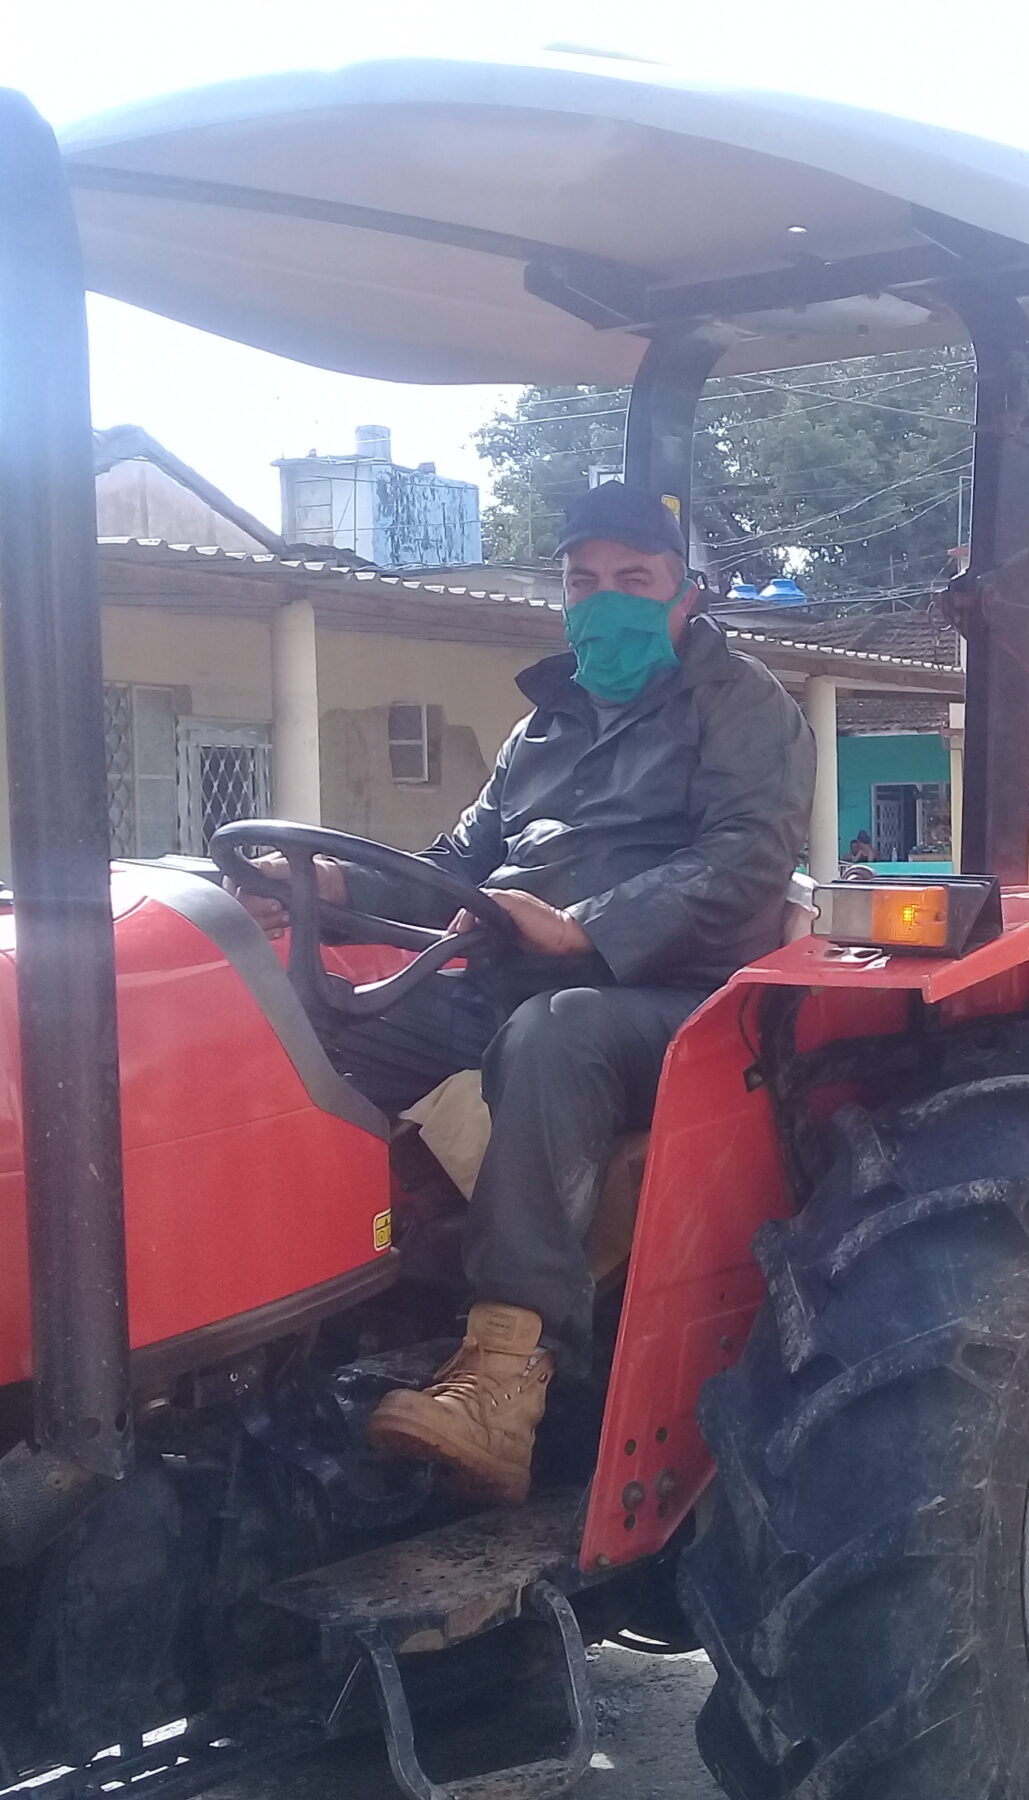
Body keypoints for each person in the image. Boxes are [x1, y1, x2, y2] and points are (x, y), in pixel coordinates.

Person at [248, 484, 814, 1501]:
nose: (606, 602)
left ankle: (507, 1376)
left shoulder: (743, 704)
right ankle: (303, 1314)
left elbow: (745, 860)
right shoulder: (542, 727)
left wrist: (592, 924)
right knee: (318, 1029)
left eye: (633, 581)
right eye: (584, 582)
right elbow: (455, 864)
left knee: (555, 1034)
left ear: (685, 594)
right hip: (514, 973)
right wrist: (326, 889)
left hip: (674, 995)